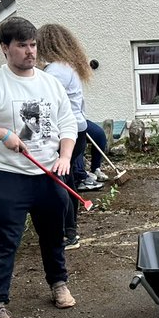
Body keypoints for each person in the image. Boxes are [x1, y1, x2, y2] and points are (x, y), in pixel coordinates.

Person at [0, 16, 79, 318]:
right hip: (7, 175)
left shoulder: (49, 83)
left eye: (33, 45)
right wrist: (1, 134)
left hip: (48, 174)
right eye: (22, 46)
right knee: (5, 242)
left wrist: (65, 157)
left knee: (54, 235)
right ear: (5, 48)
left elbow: (68, 124)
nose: (30, 52)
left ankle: (58, 285)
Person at [36, 23, 108, 249]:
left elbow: (44, 104)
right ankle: (69, 231)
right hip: (77, 130)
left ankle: (68, 234)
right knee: (67, 181)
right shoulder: (68, 67)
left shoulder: (56, 70)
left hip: (65, 133)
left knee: (59, 183)